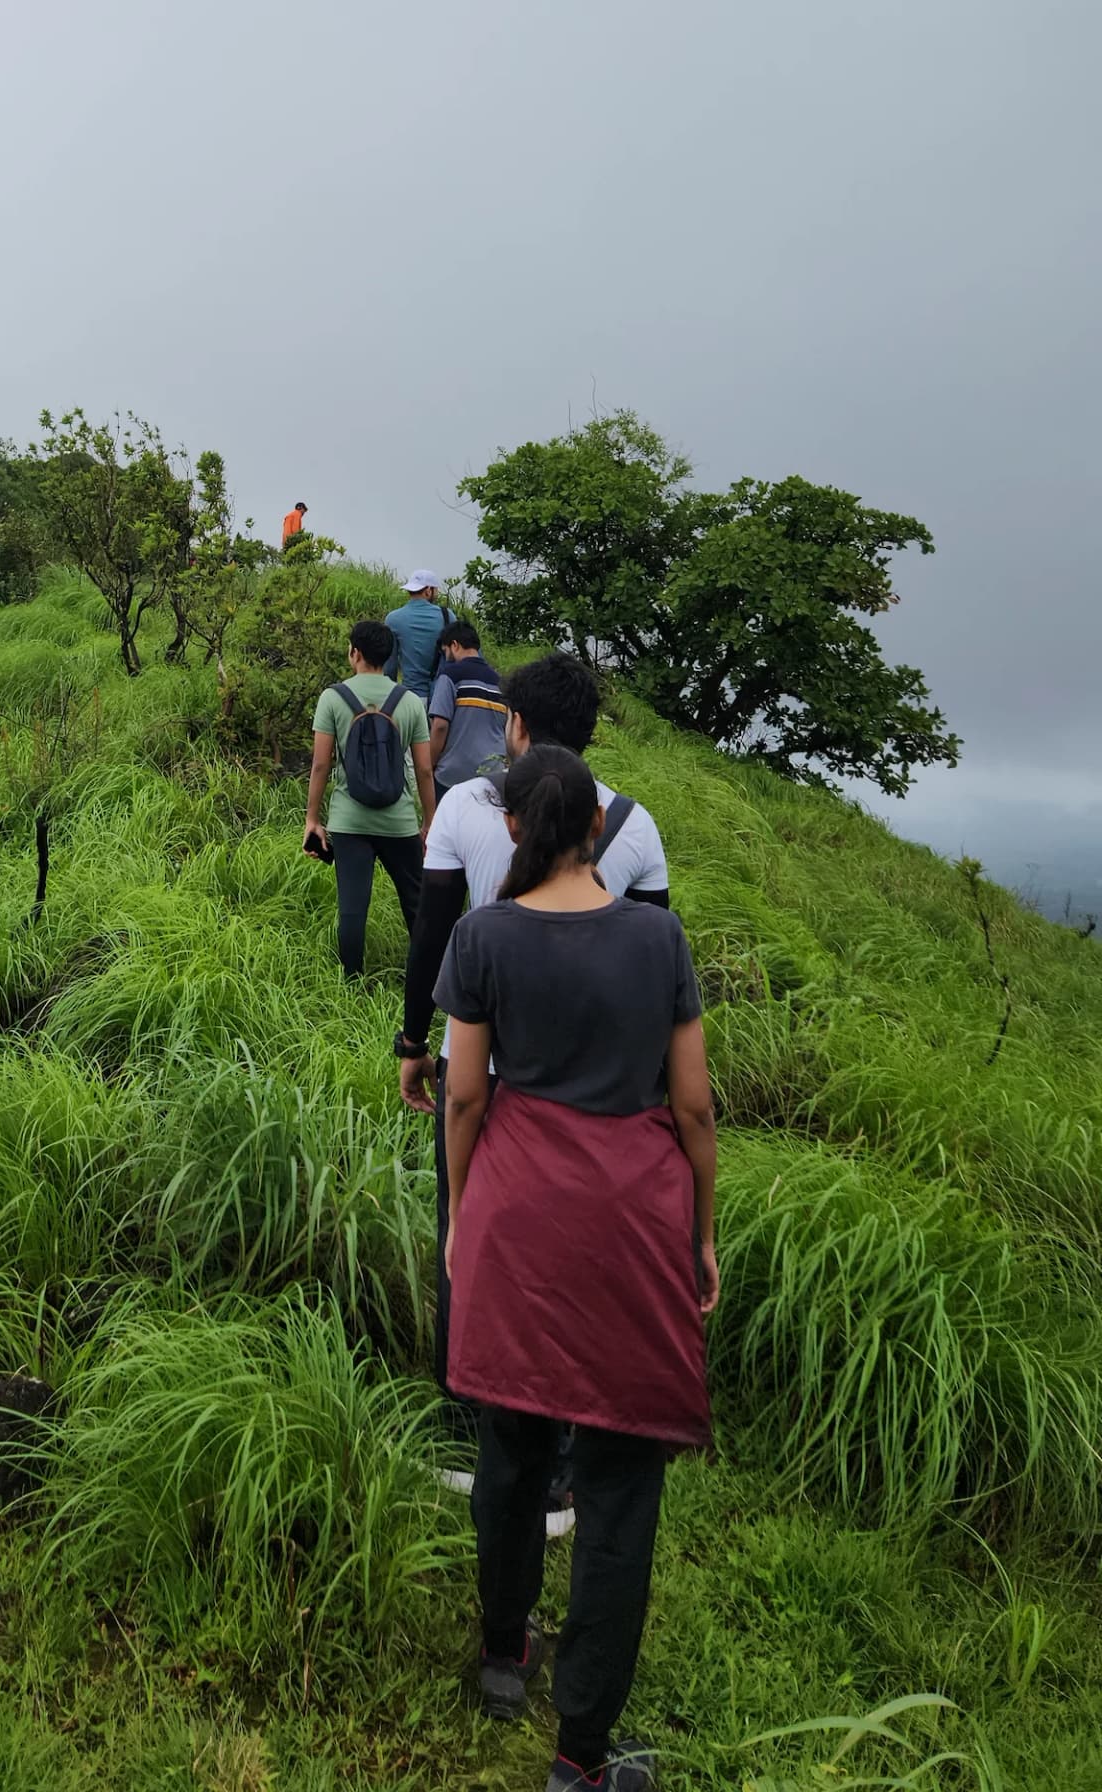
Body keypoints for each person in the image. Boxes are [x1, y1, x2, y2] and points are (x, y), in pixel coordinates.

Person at [435, 743, 717, 1790]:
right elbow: (692, 1105)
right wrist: (701, 1234)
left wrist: (463, 1215)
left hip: (517, 1211)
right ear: (597, 830)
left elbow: (466, 1095)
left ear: (512, 829)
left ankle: (503, 1655)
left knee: (509, 1446)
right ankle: (581, 1757)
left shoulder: (484, 936)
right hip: (632, 1223)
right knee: (617, 1488)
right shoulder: (660, 937)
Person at [397, 653, 672, 1527]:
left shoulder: (469, 813)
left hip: (479, 1075)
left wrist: (414, 1043)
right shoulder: (634, 826)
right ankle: (559, 1467)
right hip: (593, 1093)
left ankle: (465, 1432)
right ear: (589, 735)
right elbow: (654, 972)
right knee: (572, 1272)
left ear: (513, 724)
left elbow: (432, 935)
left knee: (465, 1241)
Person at [305, 620, 435, 978]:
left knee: (352, 907)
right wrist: (429, 821)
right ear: (388, 655)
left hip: (349, 821)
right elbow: (424, 771)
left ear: (355, 653)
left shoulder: (333, 698)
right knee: (417, 902)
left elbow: (320, 764)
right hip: (400, 822)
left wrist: (312, 819)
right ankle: (428, 978)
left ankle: (351, 982)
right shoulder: (408, 702)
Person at [428, 619, 508, 795]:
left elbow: (440, 726)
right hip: (493, 776)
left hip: (452, 777)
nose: (447, 657)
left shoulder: (450, 675)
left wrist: (430, 764)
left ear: (454, 645)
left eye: (446, 651)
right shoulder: (500, 682)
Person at [384, 570, 451, 698]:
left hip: (410, 695)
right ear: (428, 591)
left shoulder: (393, 619)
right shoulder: (447, 616)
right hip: (440, 696)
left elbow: (389, 667)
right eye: (436, 590)